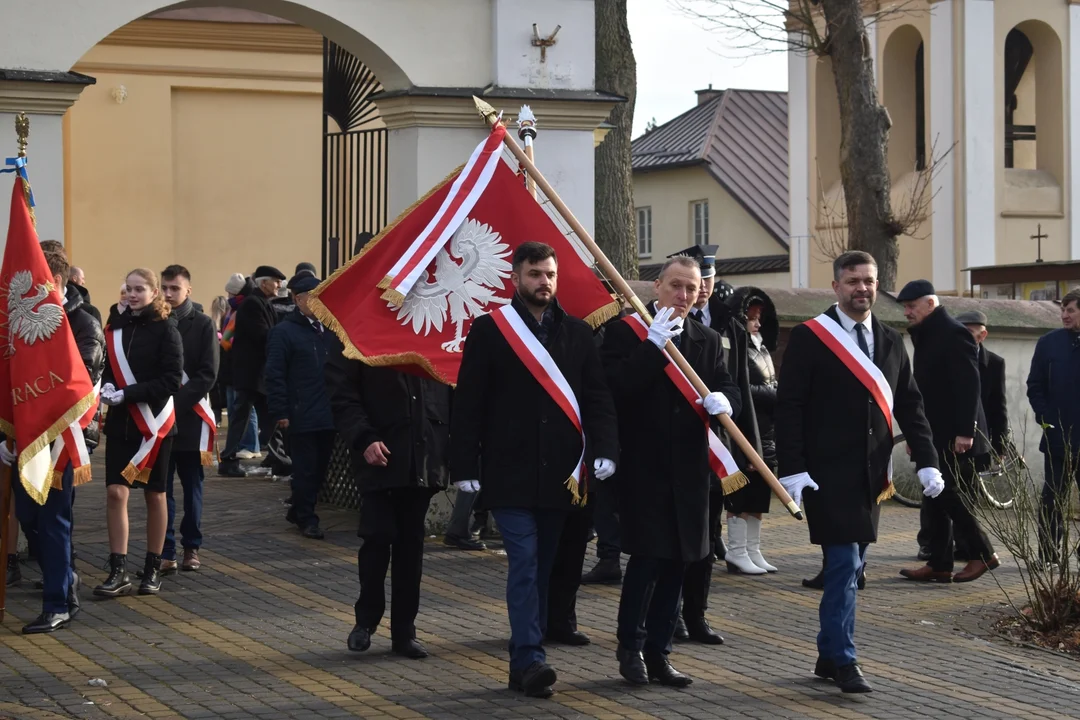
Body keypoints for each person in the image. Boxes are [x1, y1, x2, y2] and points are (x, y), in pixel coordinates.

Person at [451, 242, 618, 699]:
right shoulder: (490, 331)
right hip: (510, 473)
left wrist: (605, 449)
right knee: (523, 563)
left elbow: (598, 398)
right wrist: (465, 464)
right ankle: (530, 658)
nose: (543, 282)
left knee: (542, 569)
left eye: (550, 274)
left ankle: (521, 660)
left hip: (563, 474)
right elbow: (468, 402)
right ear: (516, 278)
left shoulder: (580, 334)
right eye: (534, 274)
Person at [775, 251, 941, 693]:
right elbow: (789, 406)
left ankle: (828, 655)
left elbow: (909, 403)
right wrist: (791, 468)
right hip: (825, 475)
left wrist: (927, 460)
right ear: (836, 286)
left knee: (853, 567)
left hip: (873, 474)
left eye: (868, 280)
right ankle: (846, 660)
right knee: (845, 564)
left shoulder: (889, 338)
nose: (861, 288)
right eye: (852, 281)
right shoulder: (812, 337)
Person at [602, 255, 740, 687]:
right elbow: (616, 389)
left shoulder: (708, 338)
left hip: (690, 470)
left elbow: (726, 381)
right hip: (645, 468)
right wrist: (653, 345)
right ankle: (631, 648)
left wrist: (725, 399)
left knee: (682, 563)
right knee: (647, 563)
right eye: (675, 286)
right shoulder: (627, 333)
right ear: (656, 286)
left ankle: (660, 653)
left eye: (691, 288)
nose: (683, 295)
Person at [326, 340, 451, 660]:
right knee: (377, 538)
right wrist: (364, 438)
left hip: (422, 457)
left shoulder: (433, 334)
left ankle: (404, 632)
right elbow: (343, 397)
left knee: (411, 547)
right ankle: (365, 621)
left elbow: (450, 391)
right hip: (379, 455)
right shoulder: (358, 336)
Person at [2, 250, 104, 633]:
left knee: (53, 519)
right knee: (28, 516)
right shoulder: (18, 321)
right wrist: (9, 431)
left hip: (63, 436)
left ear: (56, 282)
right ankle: (66, 578)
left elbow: (76, 384)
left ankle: (57, 602)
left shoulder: (83, 322)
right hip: (26, 438)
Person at [897, 281, 999, 583]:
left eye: (911, 305)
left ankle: (983, 554)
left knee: (949, 494)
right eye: (904, 306)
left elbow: (969, 386)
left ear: (930, 304)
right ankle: (939, 563)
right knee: (933, 496)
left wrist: (965, 432)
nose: (906, 312)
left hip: (953, 435)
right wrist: (917, 437)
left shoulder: (953, 333)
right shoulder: (929, 333)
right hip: (931, 432)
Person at [94, 268, 184, 598]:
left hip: (155, 424)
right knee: (116, 493)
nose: (132, 295)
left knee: (154, 495)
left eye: (139, 290)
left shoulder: (166, 329)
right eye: (128, 289)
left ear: (153, 293)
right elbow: (105, 366)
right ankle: (118, 570)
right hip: (121, 423)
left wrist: (128, 393)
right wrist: (105, 386)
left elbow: (172, 380)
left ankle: (152, 567)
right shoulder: (115, 326)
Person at [917, 309, 1011, 560]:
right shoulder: (944, 355)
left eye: (970, 331)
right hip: (941, 437)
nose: (963, 335)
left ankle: (967, 547)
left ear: (982, 335)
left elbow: (997, 407)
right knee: (935, 493)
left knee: (964, 495)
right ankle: (932, 546)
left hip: (973, 441)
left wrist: (1000, 445)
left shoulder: (994, 363)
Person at [265, 272, 335, 539]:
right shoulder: (284, 332)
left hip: (328, 411)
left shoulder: (329, 329)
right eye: (312, 297)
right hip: (301, 412)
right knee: (305, 468)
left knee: (319, 468)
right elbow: (274, 373)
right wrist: (280, 411)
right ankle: (307, 518)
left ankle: (298, 509)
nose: (318, 302)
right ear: (297, 299)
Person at [160, 265, 219, 573]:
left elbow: (207, 374)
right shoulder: (155, 321)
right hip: (158, 420)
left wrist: (174, 405)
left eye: (175, 288)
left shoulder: (204, 325)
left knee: (192, 485)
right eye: (165, 288)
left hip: (190, 418)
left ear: (188, 290)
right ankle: (166, 548)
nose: (169, 294)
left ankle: (191, 547)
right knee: (162, 488)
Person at [1027, 288, 1080, 565]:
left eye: (1071, 310)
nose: (1064, 315)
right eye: (1063, 310)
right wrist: (1044, 417)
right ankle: (1048, 553)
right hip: (1057, 437)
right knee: (1052, 499)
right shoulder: (1048, 343)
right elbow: (1034, 385)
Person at [218, 266, 285, 477]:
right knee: (243, 417)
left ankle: (278, 457)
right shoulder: (252, 304)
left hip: (257, 373)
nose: (279, 285)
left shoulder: (261, 303)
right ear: (263, 283)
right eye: (275, 281)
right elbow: (263, 335)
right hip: (251, 374)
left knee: (270, 416)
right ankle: (228, 460)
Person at [220, 274, 261, 459]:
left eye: (230, 292)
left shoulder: (244, 308)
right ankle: (238, 445)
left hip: (240, 366)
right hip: (231, 366)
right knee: (236, 409)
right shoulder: (234, 309)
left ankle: (251, 445)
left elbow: (233, 338)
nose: (228, 296)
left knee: (244, 408)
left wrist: (225, 340)